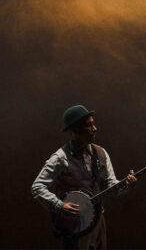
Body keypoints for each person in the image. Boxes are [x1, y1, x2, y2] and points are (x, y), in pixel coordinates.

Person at [32, 105, 137, 249]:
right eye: (89, 125)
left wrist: (126, 185)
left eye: (93, 123)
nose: (95, 128)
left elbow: (112, 186)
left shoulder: (101, 153)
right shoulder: (60, 157)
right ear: (75, 130)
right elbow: (37, 187)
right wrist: (59, 206)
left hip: (97, 223)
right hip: (75, 227)